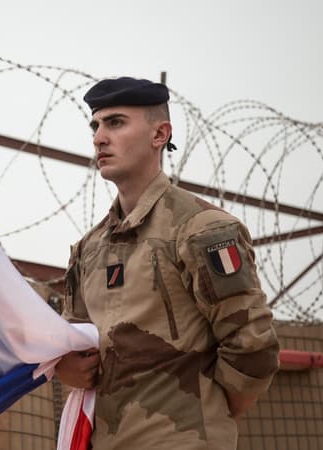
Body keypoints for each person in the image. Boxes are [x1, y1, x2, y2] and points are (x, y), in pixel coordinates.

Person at [55, 77, 280, 449]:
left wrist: (204, 419)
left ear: (160, 134)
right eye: (95, 126)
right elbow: (72, 345)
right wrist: (66, 367)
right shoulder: (88, 250)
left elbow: (252, 347)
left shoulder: (201, 229)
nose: (98, 137)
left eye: (116, 123)